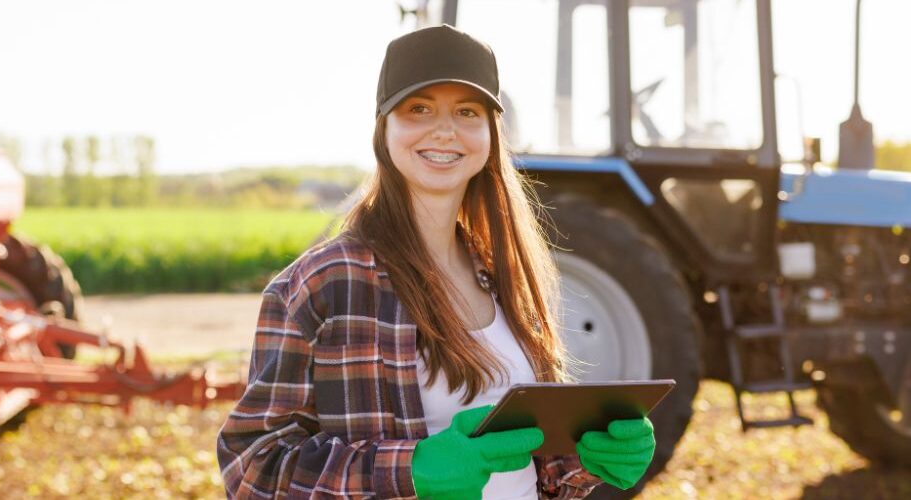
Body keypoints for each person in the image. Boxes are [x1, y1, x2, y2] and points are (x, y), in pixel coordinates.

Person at [217, 25, 656, 499]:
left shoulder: (505, 276)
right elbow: (251, 470)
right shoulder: (322, 284)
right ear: (384, 128)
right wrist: (410, 472)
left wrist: (584, 457)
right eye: (419, 109)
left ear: (491, 133)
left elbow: (528, 463)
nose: (445, 130)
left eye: (467, 111)